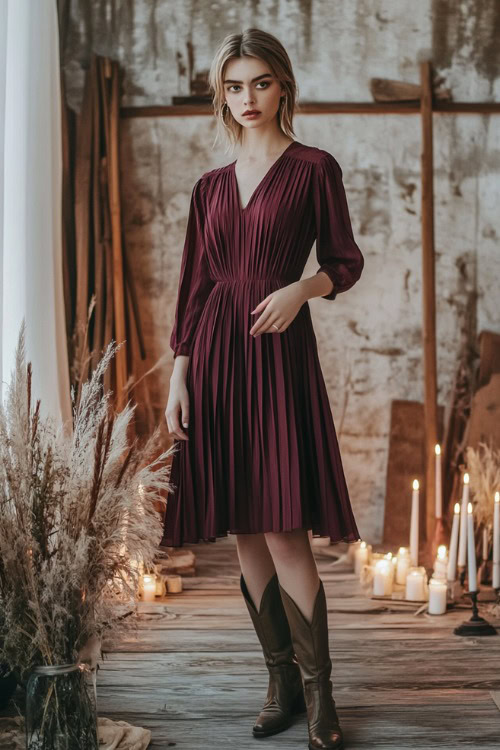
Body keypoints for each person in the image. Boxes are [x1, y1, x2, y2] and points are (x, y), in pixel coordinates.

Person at [164, 27, 364, 750]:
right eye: (234, 85)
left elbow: (344, 261)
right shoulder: (208, 187)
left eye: (260, 83)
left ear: (284, 87)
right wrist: (178, 378)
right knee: (244, 527)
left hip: (278, 358)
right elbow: (193, 288)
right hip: (215, 358)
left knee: (284, 528)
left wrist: (301, 290)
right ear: (223, 92)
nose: (247, 98)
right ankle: (277, 681)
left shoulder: (314, 169)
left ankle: (320, 696)